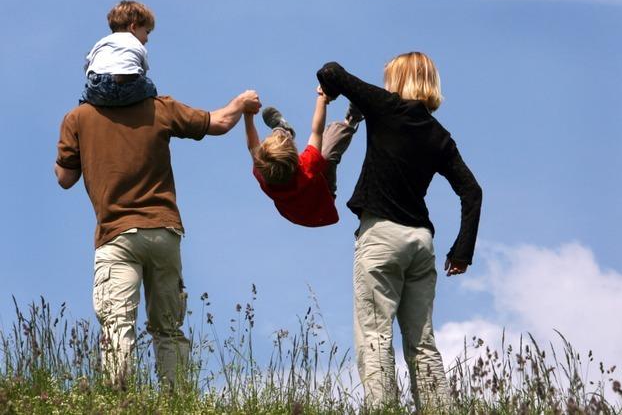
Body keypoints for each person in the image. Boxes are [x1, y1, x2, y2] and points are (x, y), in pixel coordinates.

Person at [55, 77, 261, 385]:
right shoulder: (159, 108)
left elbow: (64, 177)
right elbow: (219, 122)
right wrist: (242, 103)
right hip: (163, 231)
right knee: (168, 328)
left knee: (117, 324)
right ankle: (176, 398)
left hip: (116, 235)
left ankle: (118, 401)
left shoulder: (78, 117)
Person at [317, 52, 482, 410]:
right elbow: (472, 191)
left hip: (382, 237)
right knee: (422, 343)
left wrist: (327, 92)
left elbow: (330, 70)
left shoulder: (385, 106)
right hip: (421, 243)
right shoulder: (439, 136)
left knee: (375, 335)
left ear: (399, 80)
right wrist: (462, 252)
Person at [243, 86, 363, 227]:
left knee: (274, 150)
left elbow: (252, 146)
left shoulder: (263, 171)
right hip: (321, 205)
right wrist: (322, 98)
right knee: (325, 157)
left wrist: (247, 112)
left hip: (296, 211)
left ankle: (283, 129)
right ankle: (352, 119)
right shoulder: (307, 167)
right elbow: (316, 131)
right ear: (296, 159)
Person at [80, 0, 158, 106]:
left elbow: (88, 65)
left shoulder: (102, 42)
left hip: (99, 88)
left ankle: (84, 105)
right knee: (150, 87)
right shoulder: (136, 43)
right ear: (133, 27)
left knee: (86, 94)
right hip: (127, 85)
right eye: (147, 32)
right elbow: (142, 73)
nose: (147, 39)